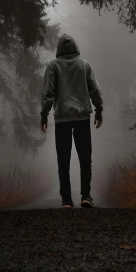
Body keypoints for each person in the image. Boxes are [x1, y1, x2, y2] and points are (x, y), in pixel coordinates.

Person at [40, 34, 103, 208]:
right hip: (82, 117)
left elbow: (48, 93)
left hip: (62, 119)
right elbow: (95, 90)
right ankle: (86, 196)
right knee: (85, 159)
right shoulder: (85, 65)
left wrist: (44, 114)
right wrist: (99, 110)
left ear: (58, 49)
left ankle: (66, 200)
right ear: (76, 47)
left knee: (63, 160)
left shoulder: (53, 66)